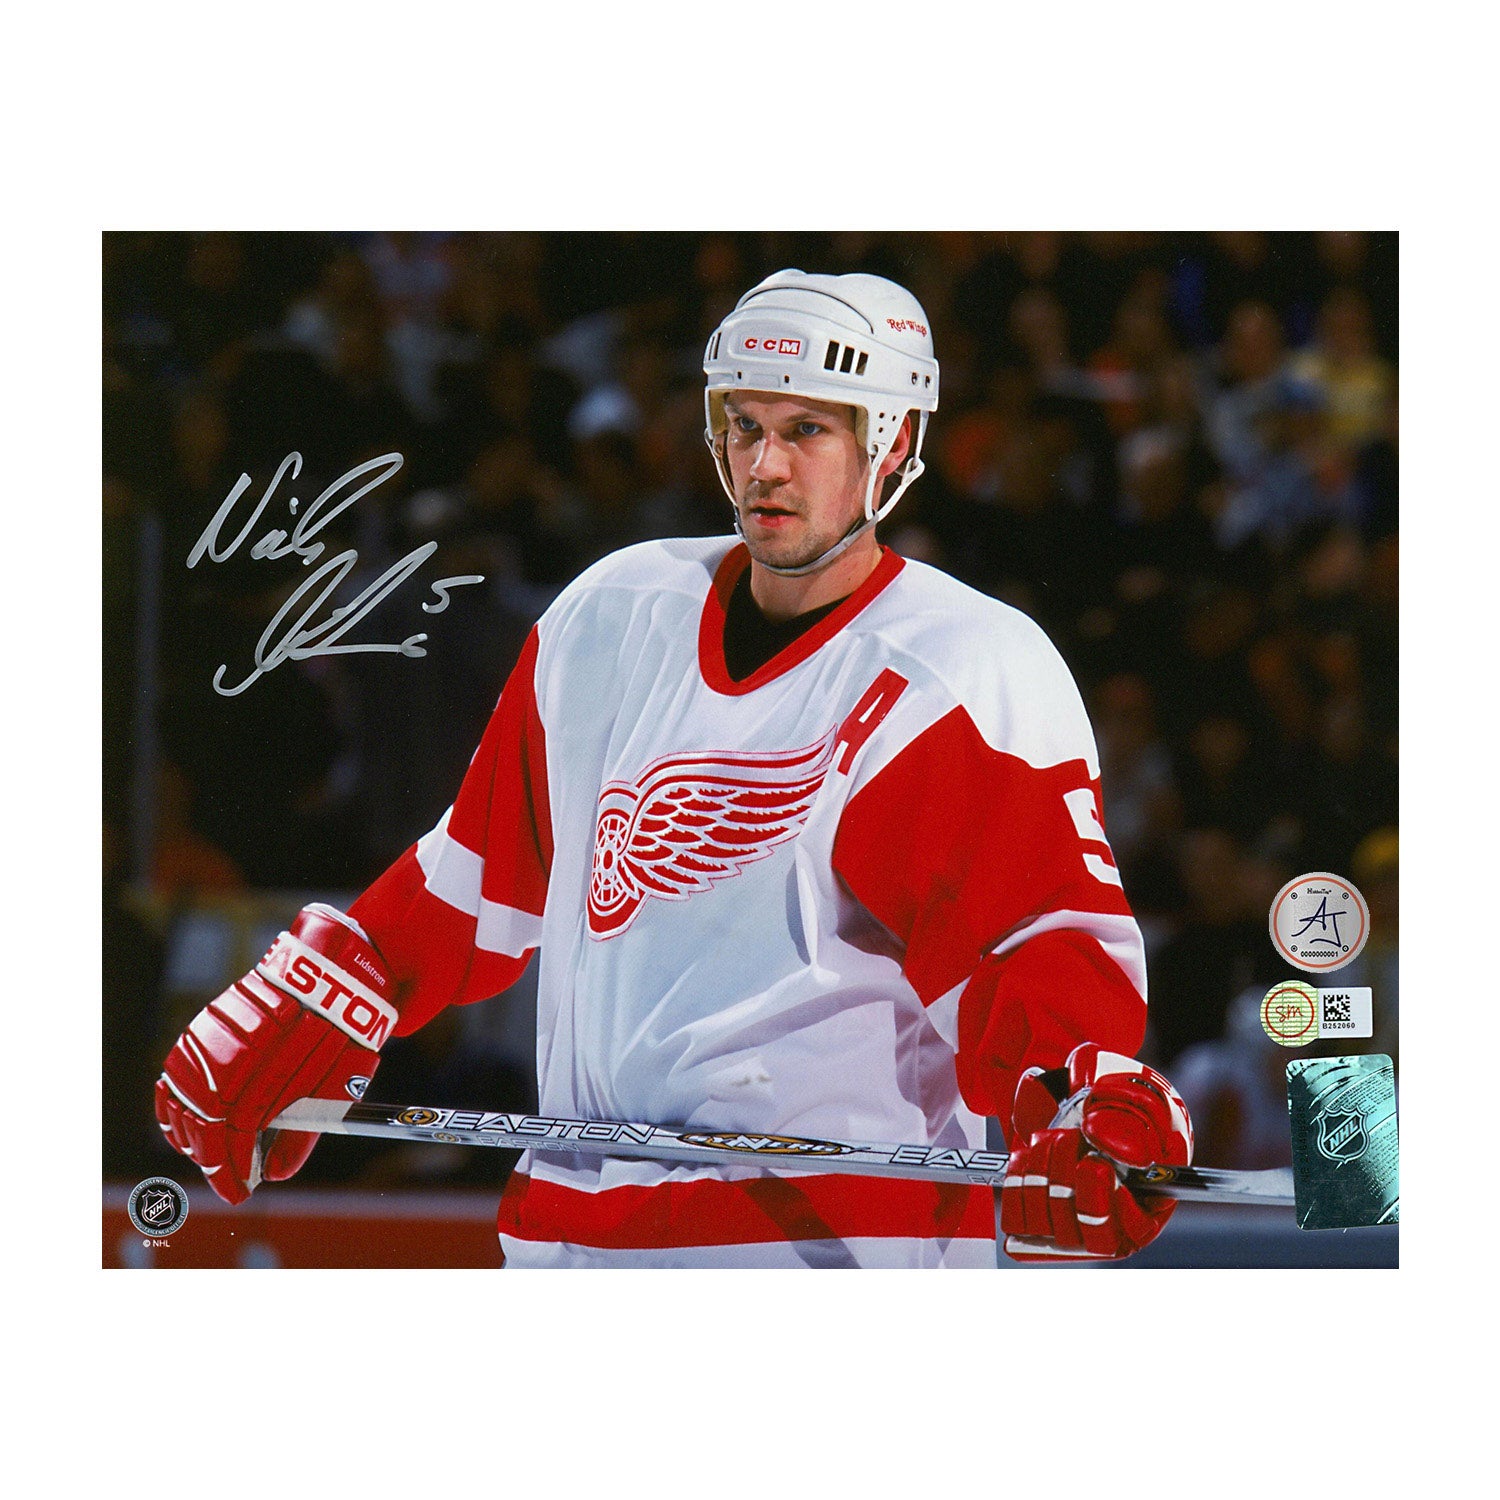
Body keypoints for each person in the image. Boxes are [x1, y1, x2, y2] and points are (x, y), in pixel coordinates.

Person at [156, 269, 1193, 1268]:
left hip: (815, 1261)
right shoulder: (611, 615)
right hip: (569, 1246)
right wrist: (346, 982)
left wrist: (1079, 1096)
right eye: (744, 424)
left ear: (893, 446)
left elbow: (1036, 945)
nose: (764, 464)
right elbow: (476, 874)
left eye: (808, 430)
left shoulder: (956, 671)